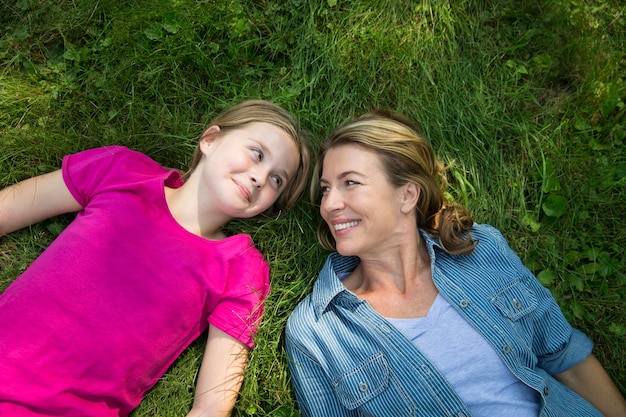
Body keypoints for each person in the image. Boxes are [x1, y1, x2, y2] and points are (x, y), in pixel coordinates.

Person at [285, 110, 626, 417]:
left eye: (350, 183)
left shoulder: (480, 249)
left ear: (408, 194)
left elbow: (567, 359)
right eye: (326, 188)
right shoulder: (317, 332)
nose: (329, 205)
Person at [0, 99, 311, 417]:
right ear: (210, 140)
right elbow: (7, 209)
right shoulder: (122, 170)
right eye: (257, 154)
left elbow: (213, 404)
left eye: (277, 180)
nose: (261, 177)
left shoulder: (241, 267)